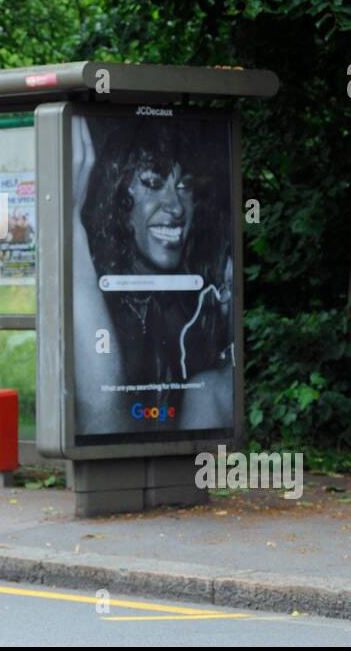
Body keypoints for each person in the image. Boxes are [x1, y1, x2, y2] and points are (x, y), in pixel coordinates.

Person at [72, 114, 234, 435]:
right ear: (118, 199)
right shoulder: (93, 296)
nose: (175, 207)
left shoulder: (199, 302)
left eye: (184, 186)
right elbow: (105, 424)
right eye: (152, 183)